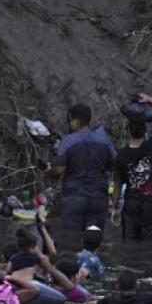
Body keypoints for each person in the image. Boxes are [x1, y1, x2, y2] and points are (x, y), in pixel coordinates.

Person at [44, 103, 117, 244]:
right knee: (93, 243)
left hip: (74, 198)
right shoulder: (104, 140)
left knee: (73, 242)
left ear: (74, 120)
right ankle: (91, 265)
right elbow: (113, 165)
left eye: (69, 121)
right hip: (98, 198)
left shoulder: (68, 141)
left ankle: (73, 264)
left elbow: (59, 170)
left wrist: (48, 171)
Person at [111, 93, 152, 239]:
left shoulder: (121, 155)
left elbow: (118, 185)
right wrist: (151, 100)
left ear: (128, 130)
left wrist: (114, 208)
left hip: (131, 205)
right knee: (150, 245)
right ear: (145, 131)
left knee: (129, 245)